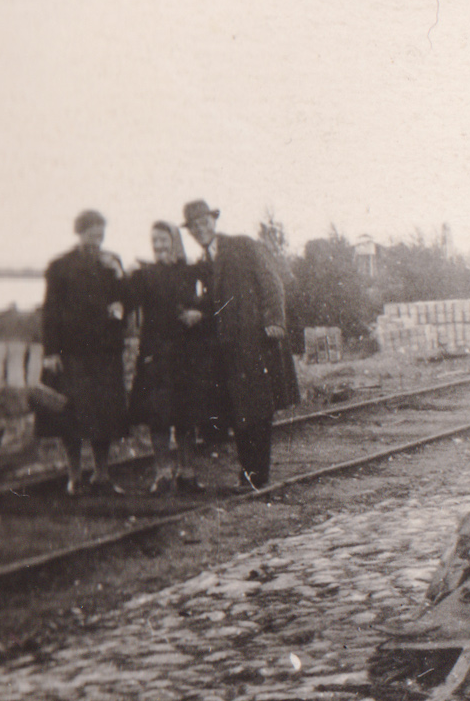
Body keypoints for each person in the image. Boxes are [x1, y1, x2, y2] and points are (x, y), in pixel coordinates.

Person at [182, 199, 299, 489]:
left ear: (214, 221)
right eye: (194, 226)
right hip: (228, 350)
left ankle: (256, 475)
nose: (200, 229)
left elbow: (271, 281)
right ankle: (249, 473)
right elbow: (216, 303)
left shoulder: (242, 245)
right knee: (241, 412)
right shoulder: (203, 262)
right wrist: (200, 313)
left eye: (204, 222)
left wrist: (275, 320)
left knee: (258, 411)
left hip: (255, 341)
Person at [38, 209, 130, 495]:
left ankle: (102, 475)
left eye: (101, 235)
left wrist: (119, 277)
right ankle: (75, 477)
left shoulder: (111, 263)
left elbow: (125, 302)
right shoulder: (60, 266)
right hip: (72, 353)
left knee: (104, 416)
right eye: (91, 235)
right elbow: (50, 311)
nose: (97, 241)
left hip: (104, 353)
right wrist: (51, 352)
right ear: (79, 233)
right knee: (71, 417)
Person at [125, 220, 213, 495]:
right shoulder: (145, 274)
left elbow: (212, 299)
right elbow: (127, 303)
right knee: (158, 418)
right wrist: (127, 275)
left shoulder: (190, 271)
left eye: (164, 240)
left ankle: (187, 473)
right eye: (155, 241)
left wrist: (199, 315)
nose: (159, 246)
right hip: (155, 356)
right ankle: (163, 474)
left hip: (186, 355)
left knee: (186, 418)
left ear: (174, 241)